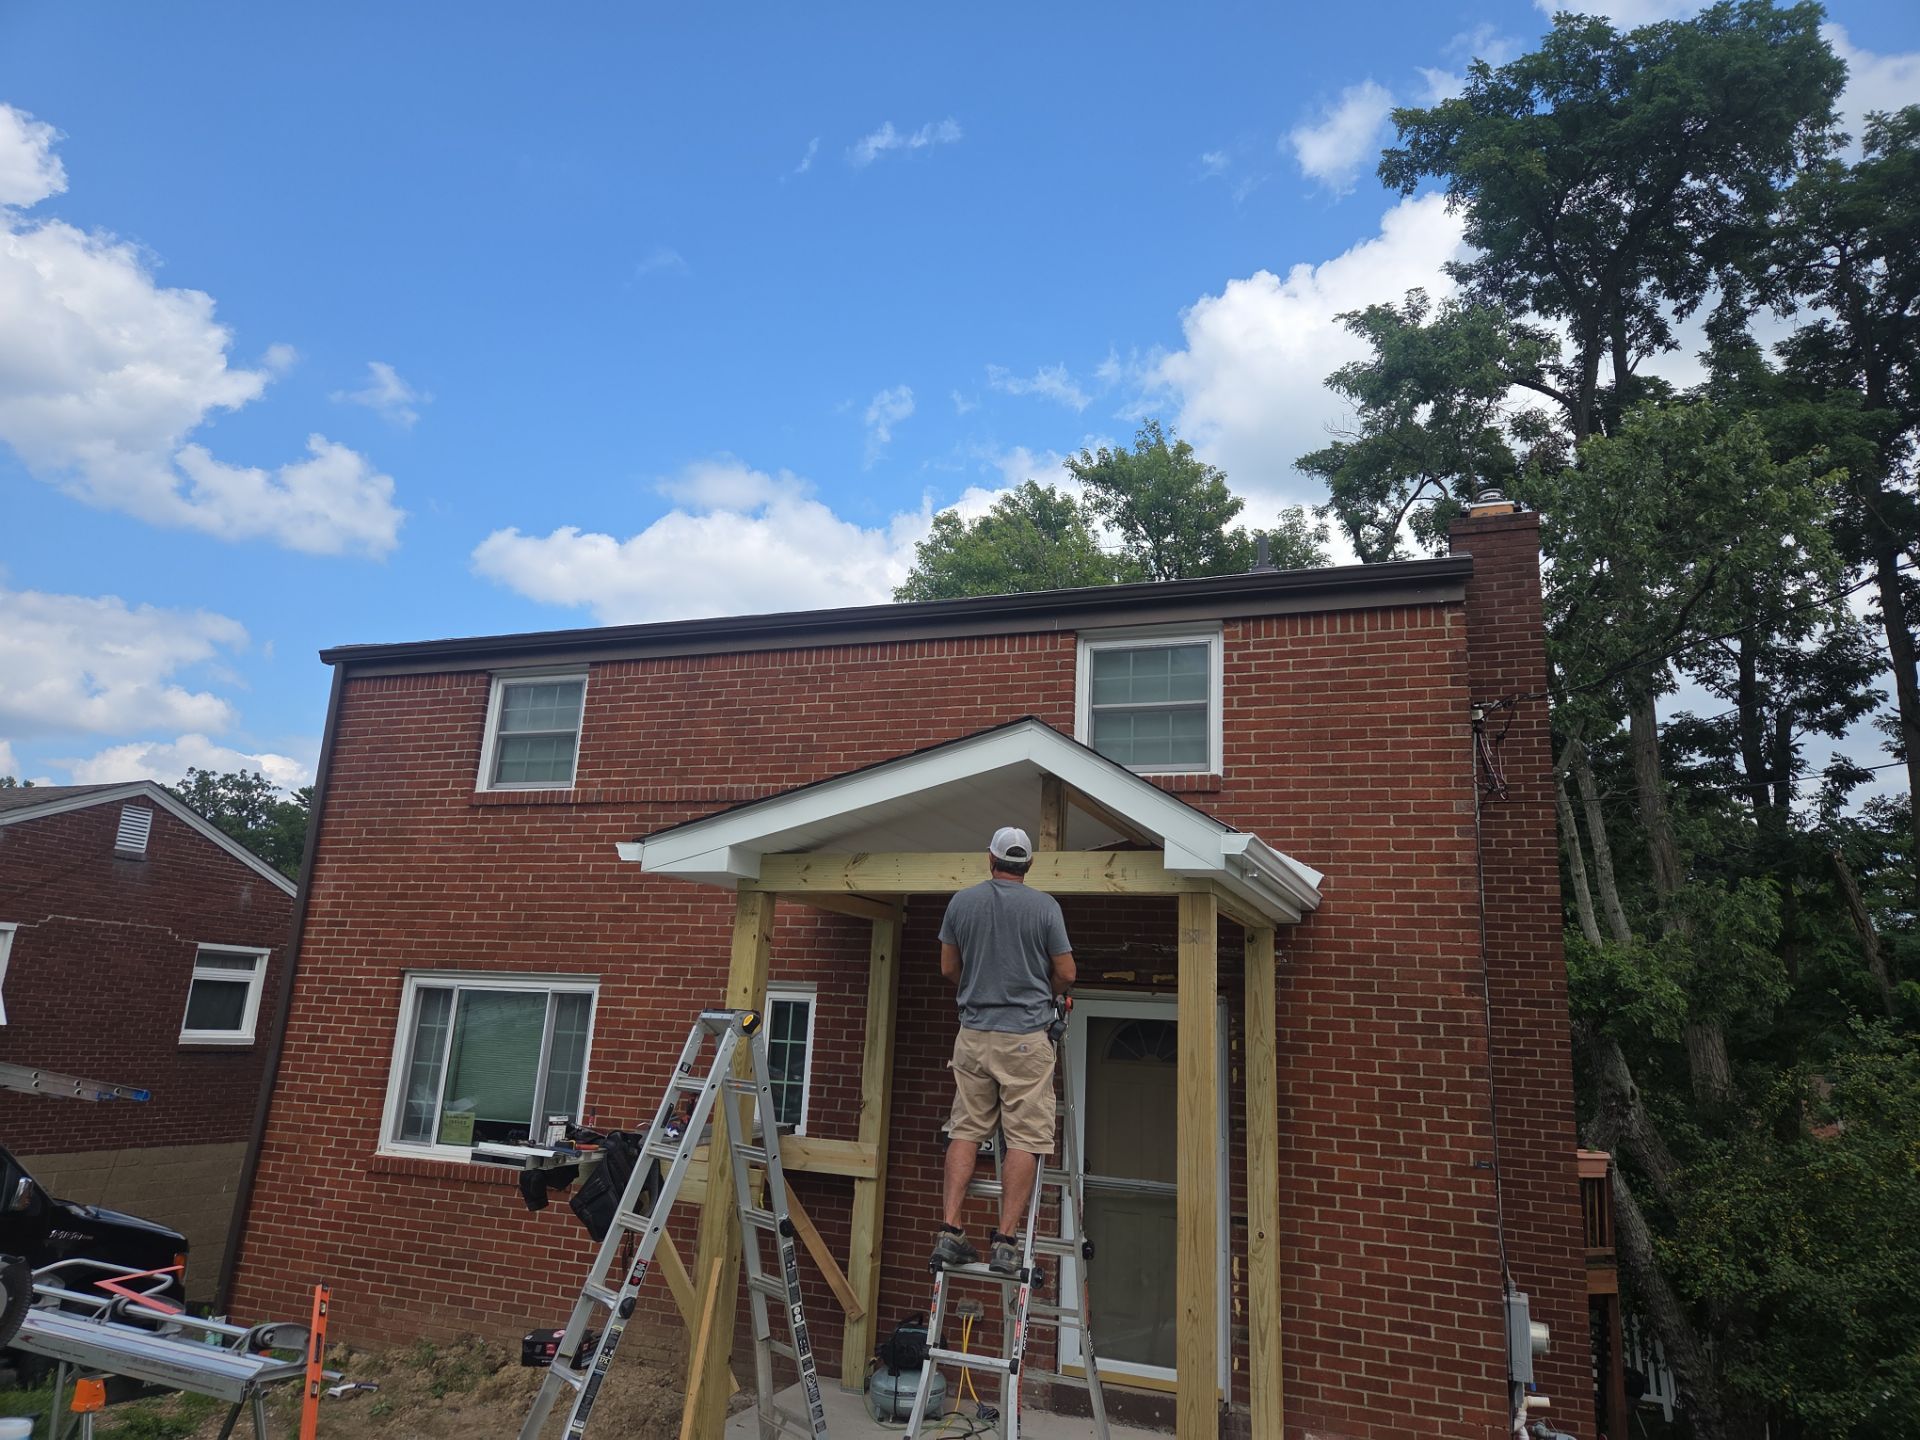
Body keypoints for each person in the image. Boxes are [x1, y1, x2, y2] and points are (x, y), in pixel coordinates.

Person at [930, 825, 1075, 1276]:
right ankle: (1007, 1241)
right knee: (1025, 1137)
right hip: (1025, 1039)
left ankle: (950, 1230)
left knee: (966, 1129)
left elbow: (948, 967)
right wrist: (1043, 994)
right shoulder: (1045, 907)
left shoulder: (961, 902)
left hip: (973, 1035)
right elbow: (1067, 972)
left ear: (989, 858)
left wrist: (978, 988)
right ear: (1028, 864)